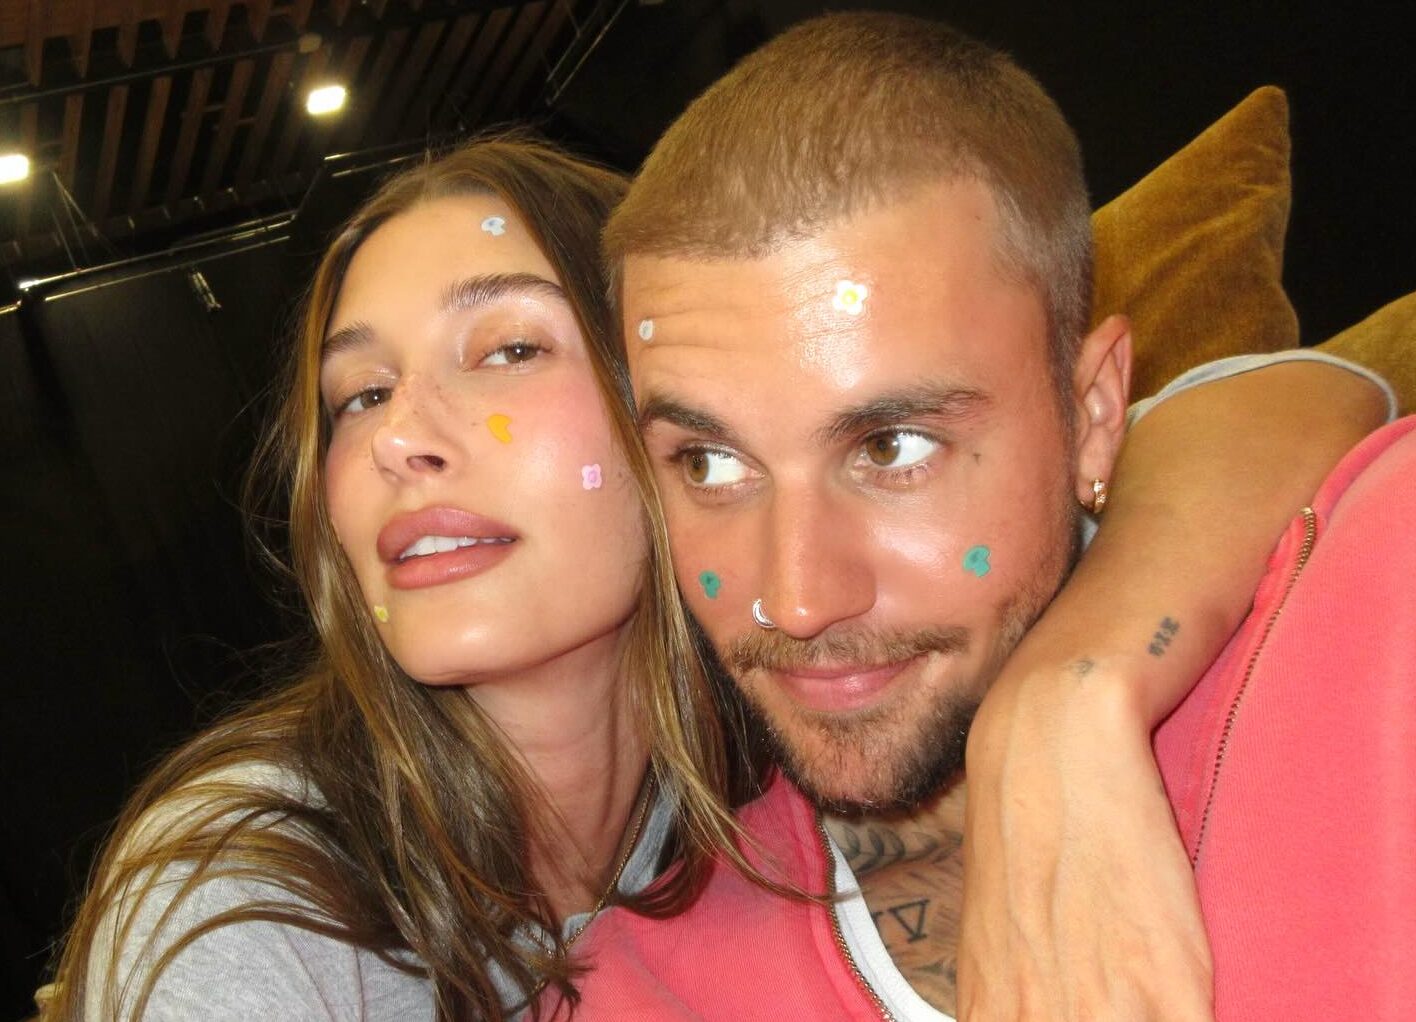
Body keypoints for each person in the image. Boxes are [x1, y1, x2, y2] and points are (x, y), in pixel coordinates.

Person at [559, 11, 1412, 1021]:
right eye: (710, 462)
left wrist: (1070, 696)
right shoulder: (628, 988)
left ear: (1094, 415)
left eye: (891, 447)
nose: (796, 600)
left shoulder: (1378, 626)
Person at [42, 138, 759, 1021]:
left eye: (509, 349)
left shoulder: (776, 804)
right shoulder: (242, 911)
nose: (395, 437)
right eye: (362, 395)